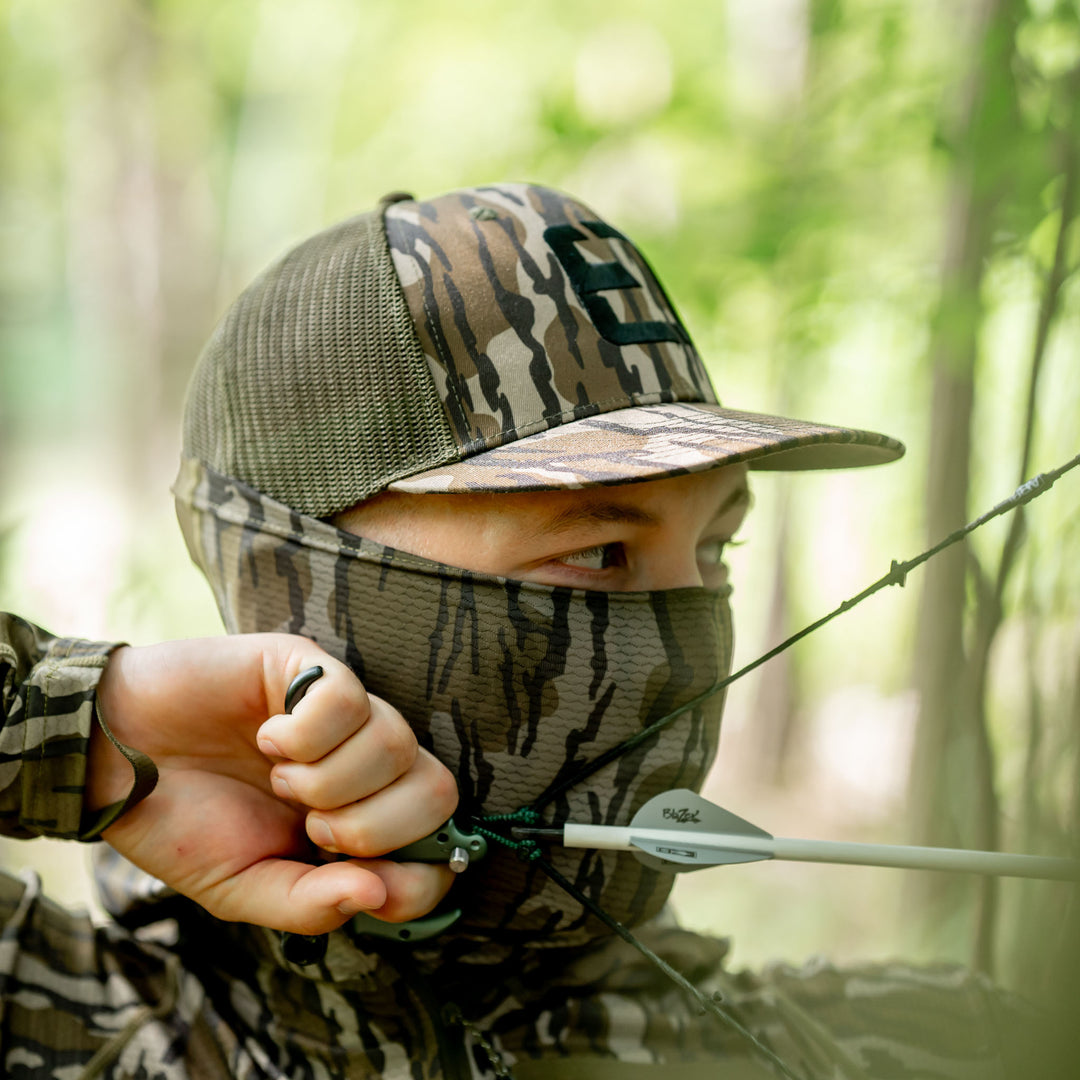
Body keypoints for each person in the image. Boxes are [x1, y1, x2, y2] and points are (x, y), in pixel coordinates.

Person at [0, 184, 1049, 1079]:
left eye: (716, 551)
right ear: (303, 586)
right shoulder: (56, 1023)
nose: (687, 646)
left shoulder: (911, 1045)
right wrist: (90, 729)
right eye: (598, 554)